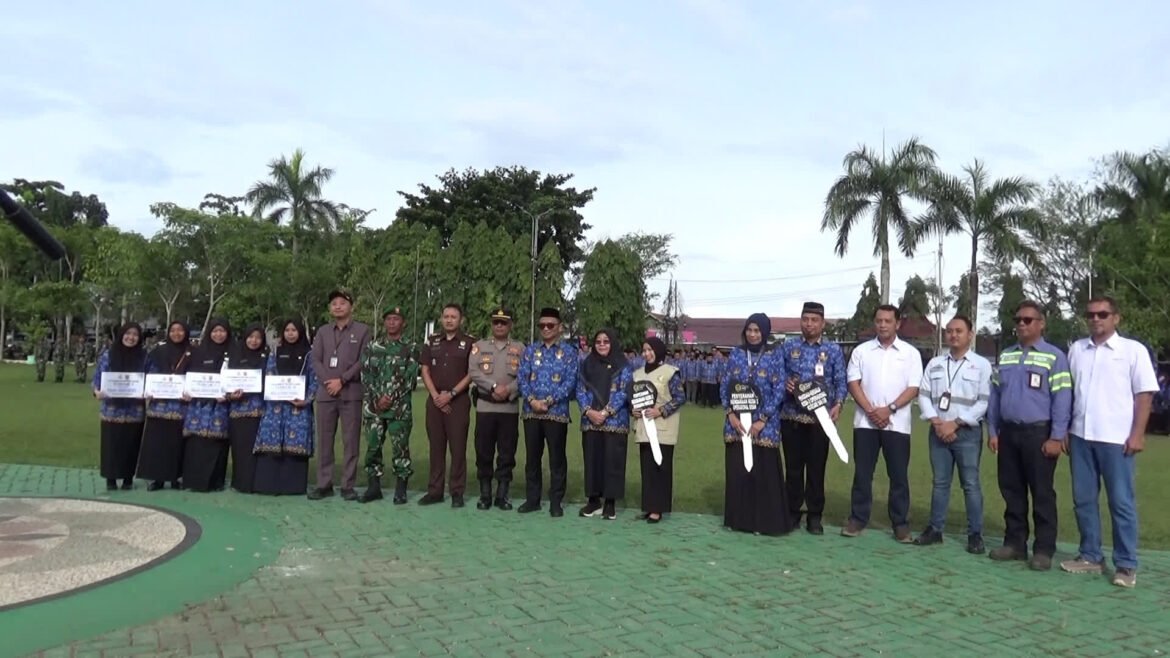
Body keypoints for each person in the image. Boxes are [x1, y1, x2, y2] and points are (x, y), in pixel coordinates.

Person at [1060, 297, 1157, 588]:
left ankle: (1126, 564)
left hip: (1116, 439)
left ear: (1116, 318)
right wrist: (1064, 429)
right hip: (1081, 435)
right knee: (1083, 500)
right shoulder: (1077, 349)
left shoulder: (1132, 350)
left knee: (1121, 502)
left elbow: (1144, 395)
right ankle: (1090, 555)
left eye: (1102, 314)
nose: (1095, 319)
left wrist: (1138, 433)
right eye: (1090, 314)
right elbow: (1069, 393)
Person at [986, 300, 1072, 571]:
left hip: (1039, 433)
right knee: (1011, 491)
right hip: (1009, 432)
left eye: (1028, 320)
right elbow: (995, 396)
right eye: (1018, 320)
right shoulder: (1006, 355)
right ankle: (1015, 544)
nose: (1021, 324)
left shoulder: (1055, 357)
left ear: (1041, 324)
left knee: (1042, 493)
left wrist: (1056, 436)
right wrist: (993, 430)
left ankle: (1044, 549)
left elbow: (1062, 398)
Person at [842, 305, 924, 542]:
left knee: (898, 477)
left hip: (897, 424)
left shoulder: (910, 353)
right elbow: (853, 383)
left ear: (898, 324)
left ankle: (900, 524)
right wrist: (871, 410)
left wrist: (889, 409)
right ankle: (857, 519)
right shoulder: (861, 351)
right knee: (862, 474)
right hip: (865, 423)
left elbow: (914, 387)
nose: (883, 325)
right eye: (879, 320)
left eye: (888, 321)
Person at [913, 315, 993, 553]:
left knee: (970, 484)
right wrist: (937, 422)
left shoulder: (981, 365)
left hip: (967, 433)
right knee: (940, 483)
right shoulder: (935, 363)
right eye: (949, 331)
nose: (953, 335)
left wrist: (955, 423)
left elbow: (983, 402)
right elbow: (923, 395)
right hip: (938, 431)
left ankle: (975, 534)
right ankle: (935, 529)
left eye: (959, 331)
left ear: (970, 334)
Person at [720, 313, 792, 536]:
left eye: (757, 331)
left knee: (763, 473)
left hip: (764, 426)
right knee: (738, 472)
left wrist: (762, 419)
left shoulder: (774, 355)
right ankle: (739, 521)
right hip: (737, 423)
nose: (752, 335)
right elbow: (725, 384)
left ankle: (763, 523)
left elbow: (779, 389)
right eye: (749, 330)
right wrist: (730, 414)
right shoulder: (736, 354)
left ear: (764, 333)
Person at [779, 301, 847, 535]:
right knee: (793, 469)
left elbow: (840, 380)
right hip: (792, 417)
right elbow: (777, 374)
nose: (809, 324)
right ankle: (792, 512)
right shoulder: (788, 347)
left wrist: (839, 404)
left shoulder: (833, 350)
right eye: (805, 319)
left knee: (817, 470)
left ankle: (815, 516)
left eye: (814, 320)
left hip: (821, 420)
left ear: (823, 323)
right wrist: (785, 383)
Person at [309, 290, 371, 501]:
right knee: (324, 441)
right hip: (326, 393)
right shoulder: (323, 331)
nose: (337, 306)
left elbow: (363, 360)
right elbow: (316, 360)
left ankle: (347, 485)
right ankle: (324, 484)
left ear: (351, 307)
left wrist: (342, 380)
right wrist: (330, 382)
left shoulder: (363, 330)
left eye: (342, 303)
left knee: (350, 441)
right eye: (334, 303)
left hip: (350, 393)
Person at [517, 307, 578, 517]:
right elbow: (522, 378)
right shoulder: (530, 351)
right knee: (532, 458)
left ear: (560, 327)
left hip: (556, 413)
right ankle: (532, 499)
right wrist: (532, 401)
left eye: (550, 325)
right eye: (542, 325)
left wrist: (549, 401)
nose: (545, 329)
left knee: (557, 459)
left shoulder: (569, 353)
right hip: (531, 412)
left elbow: (570, 382)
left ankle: (556, 501)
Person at [358, 305, 420, 504]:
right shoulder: (373, 347)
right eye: (389, 319)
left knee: (400, 448)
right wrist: (378, 399)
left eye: (396, 319)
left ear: (403, 323)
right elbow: (366, 375)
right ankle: (373, 487)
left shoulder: (410, 347)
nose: (392, 323)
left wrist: (390, 397)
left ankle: (400, 489)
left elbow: (410, 377)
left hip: (399, 408)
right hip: (375, 407)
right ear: (384, 322)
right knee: (373, 446)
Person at [253, 319, 318, 496]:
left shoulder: (309, 355)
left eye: (294, 330)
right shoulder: (275, 352)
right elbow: (269, 375)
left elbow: (314, 380)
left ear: (300, 332)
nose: (290, 333)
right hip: (275, 407)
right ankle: (268, 485)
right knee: (271, 443)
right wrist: (272, 393)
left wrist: (306, 400)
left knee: (294, 444)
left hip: (298, 408)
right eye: (287, 330)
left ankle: (292, 487)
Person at [419, 303, 474, 507]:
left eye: (453, 317)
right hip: (435, 402)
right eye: (446, 316)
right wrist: (436, 396)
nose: (449, 320)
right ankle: (435, 491)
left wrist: (450, 395)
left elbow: (471, 373)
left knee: (458, 449)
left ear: (461, 320)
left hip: (458, 401)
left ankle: (457, 492)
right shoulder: (432, 341)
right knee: (436, 448)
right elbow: (425, 370)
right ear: (441, 319)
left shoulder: (469, 343)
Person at [469, 307, 524, 510]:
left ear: (510, 325)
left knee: (507, 453)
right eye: (496, 322)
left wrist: (508, 389)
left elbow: (526, 374)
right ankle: (485, 494)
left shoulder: (520, 348)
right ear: (491, 324)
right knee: (483, 452)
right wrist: (493, 387)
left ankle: (502, 494)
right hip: (485, 407)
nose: (499, 325)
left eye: (504, 322)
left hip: (509, 408)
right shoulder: (479, 346)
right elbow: (473, 371)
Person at [576, 328, 633, 520]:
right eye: (598, 341)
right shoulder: (586, 363)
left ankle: (610, 503)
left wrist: (606, 412)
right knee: (592, 460)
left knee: (612, 462)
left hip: (615, 421)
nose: (601, 345)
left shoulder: (623, 365)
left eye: (606, 341)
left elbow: (624, 391)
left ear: (613, 343)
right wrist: (589, 411)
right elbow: (580, 389)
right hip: (590, 421)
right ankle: (593, 501)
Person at [632, 337, 686, 523]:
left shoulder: (670, 373)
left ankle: (658, 508)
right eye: (644, 350)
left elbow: (680, 398)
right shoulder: (638, 374)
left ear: (658, 351)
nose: (647, 354)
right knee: (647, 469)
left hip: (663, 428)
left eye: (650, 350)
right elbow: (633, 397)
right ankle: (649, 506)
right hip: (643, 428)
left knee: (660, 467)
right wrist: (633, 410)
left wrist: (660, 411)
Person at [92, 322, 147, 491]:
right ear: (121, 335)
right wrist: (96, 391)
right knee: (111, 445)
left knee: (131, 444)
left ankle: (128, 478)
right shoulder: (109, 355)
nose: (131, 338)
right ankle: (111, 479)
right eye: (128, 334)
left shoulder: (144, 357)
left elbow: (151, 378)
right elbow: (97, 378)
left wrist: (148, 391)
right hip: (111, 410)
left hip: (134, 410)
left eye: (135, 335)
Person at [181, 318, 233, 493]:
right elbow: (187, 375)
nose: (218, 335)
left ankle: (215, 482)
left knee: (217, 444)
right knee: (196, 443)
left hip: (221, 406)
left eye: (222, 331)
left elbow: (238, 379)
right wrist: (186, 390)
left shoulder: (234, 352)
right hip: (198, 405)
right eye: (215, 331)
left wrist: (228, 393)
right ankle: (193, 480)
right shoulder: (198, 352)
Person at [138, 321, 190, 491]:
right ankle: (157, 479)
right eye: (173, 330)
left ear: (186, 332)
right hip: (159, 406)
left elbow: (196, 375)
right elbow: (147, 372)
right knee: (157, 443)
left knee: (177, 444)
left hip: (181, 406)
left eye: (180, 330)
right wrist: (148, 389)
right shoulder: (157, 351)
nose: (177, 333)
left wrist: (191, 391)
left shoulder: (192, 352)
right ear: (168, 333)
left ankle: (176, 478)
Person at [226, 323, 269, 493]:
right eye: (251, 337)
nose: (254, 341)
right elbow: (225, 383)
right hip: (238, 410)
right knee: (239, 447)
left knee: (256, 449)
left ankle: (256, 483)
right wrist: (231, 394)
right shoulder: (235, 357)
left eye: (258, 338)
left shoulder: (267, 358)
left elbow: (272, 381)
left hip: (259, 411)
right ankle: (240, 483)